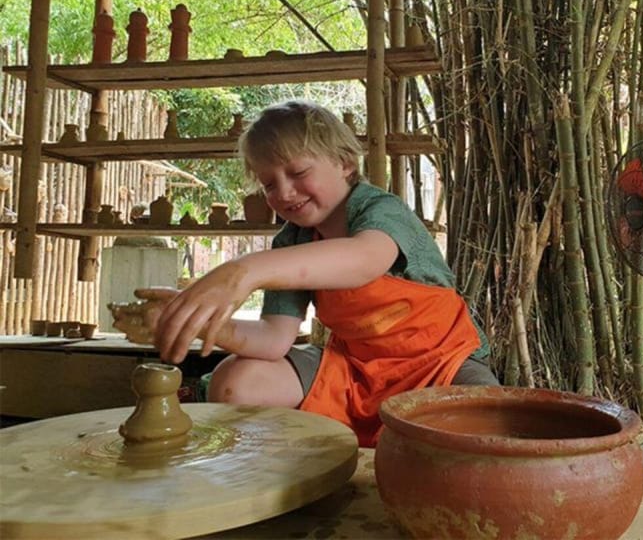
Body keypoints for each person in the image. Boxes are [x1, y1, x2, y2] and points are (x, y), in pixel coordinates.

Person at [132, 99, 497, 447]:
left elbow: (363, 260)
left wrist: (244, 270)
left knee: (490, 420)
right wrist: (196, 320)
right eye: (269, 183)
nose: (284, 192)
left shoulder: (380, 210)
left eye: (298, 172)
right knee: (235, 382)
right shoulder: (292, 240)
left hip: (441, 367)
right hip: (356, 374)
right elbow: (274, 340)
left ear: (344, 163)